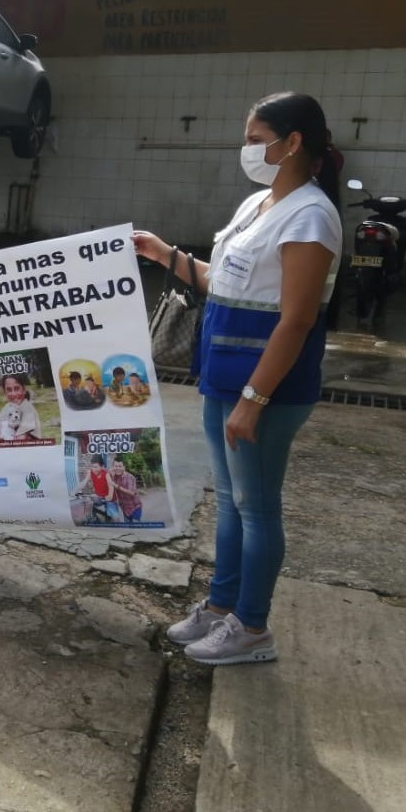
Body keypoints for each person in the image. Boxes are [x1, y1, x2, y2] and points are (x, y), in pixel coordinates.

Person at [133, 92, 341, 666]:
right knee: (230, 502)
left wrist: (254, 399)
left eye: (255, 140)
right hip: (223, 379)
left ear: (292, 143)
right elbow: (222, 282)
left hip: (266, 390)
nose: (246, 149)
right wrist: (163, 254)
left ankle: (252, 628)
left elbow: (296, 319)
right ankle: (221, 606)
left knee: (257, 507)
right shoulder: (258, 205)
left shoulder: (311, 216)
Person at [0, 373, 42, 441]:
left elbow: (20, 440)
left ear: (24, 389)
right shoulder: (8, 406)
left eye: (17, 388)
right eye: (9, 390)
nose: (13, 394)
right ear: (4, 392)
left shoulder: (28, 409)